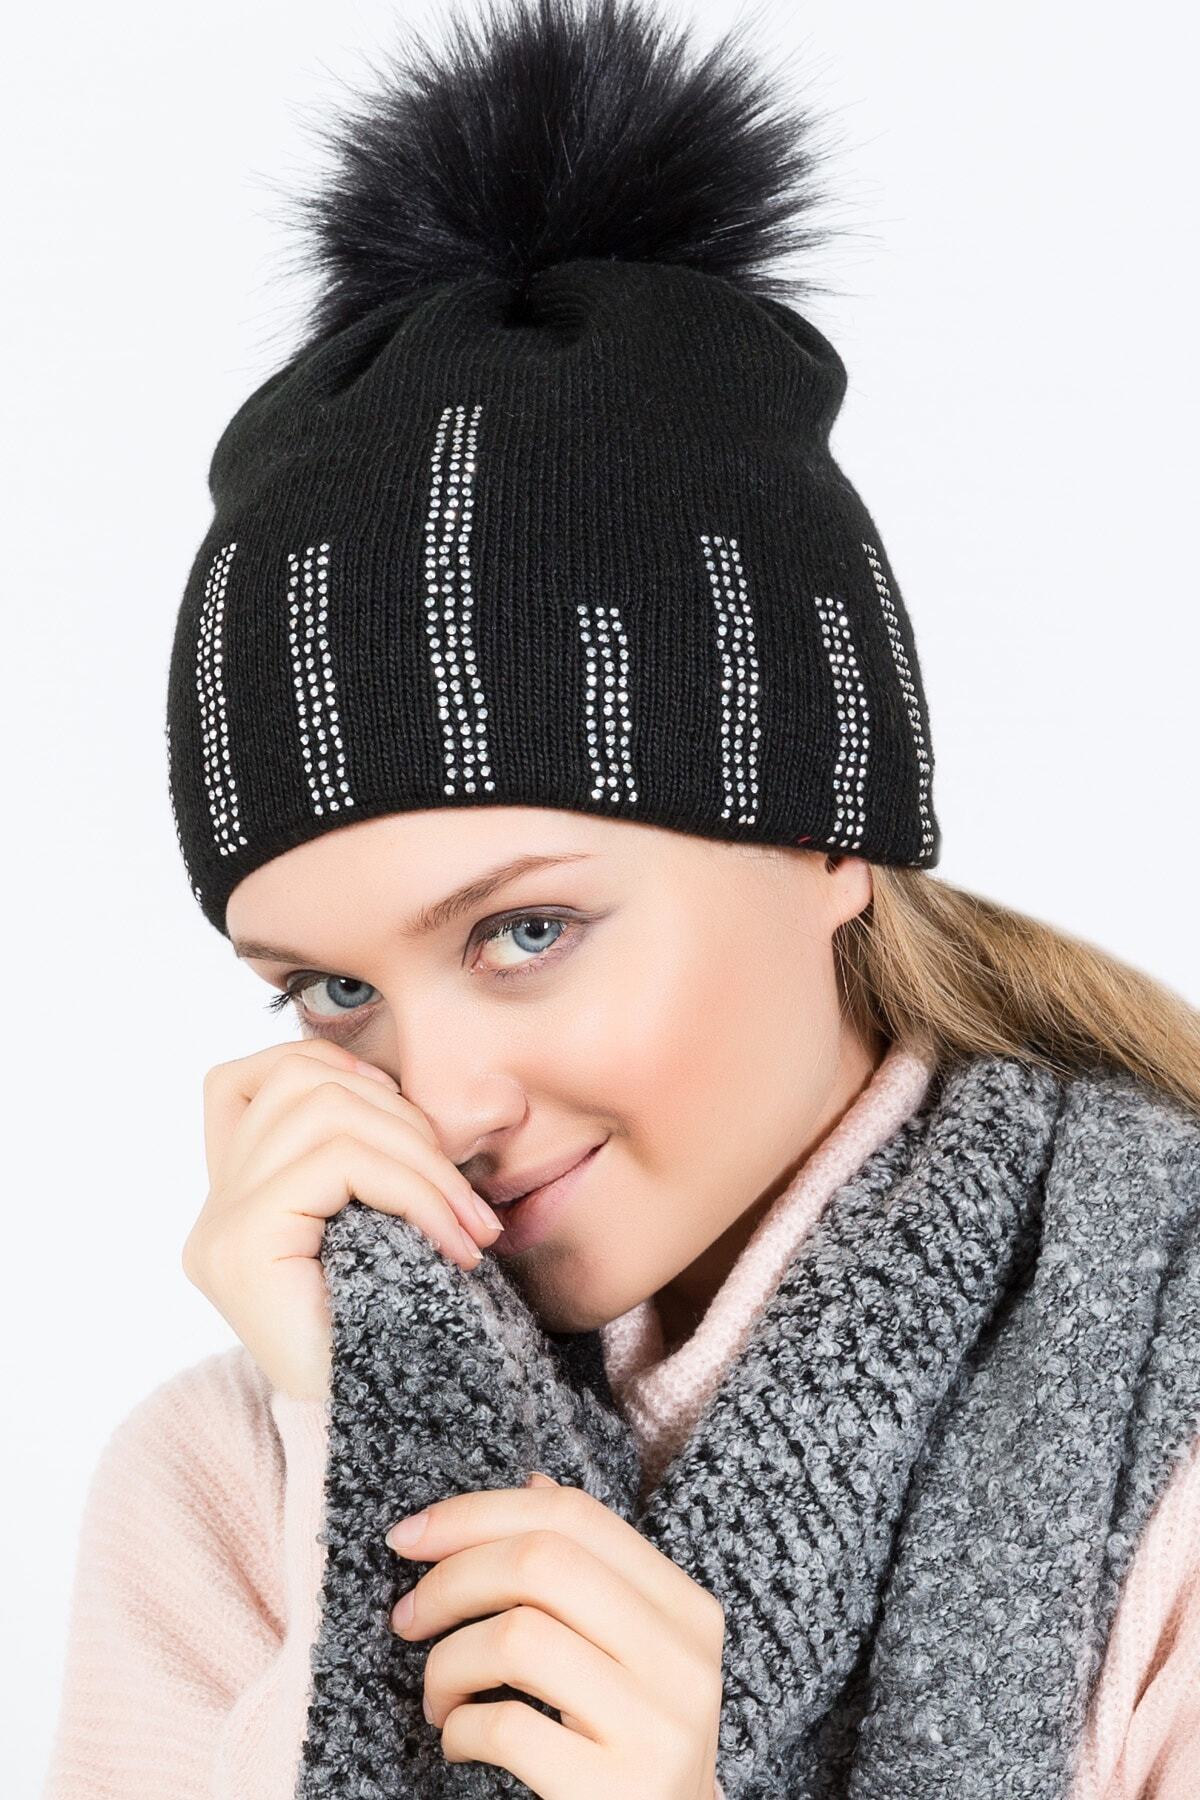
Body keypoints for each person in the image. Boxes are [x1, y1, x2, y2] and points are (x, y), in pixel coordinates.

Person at [42, 0, 1200, 1794]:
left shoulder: (1164, 1407)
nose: (441, 1105)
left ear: (830, 837)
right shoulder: (222, 1487)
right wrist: (381, 1446)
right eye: (331, 992)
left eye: (526, 932)